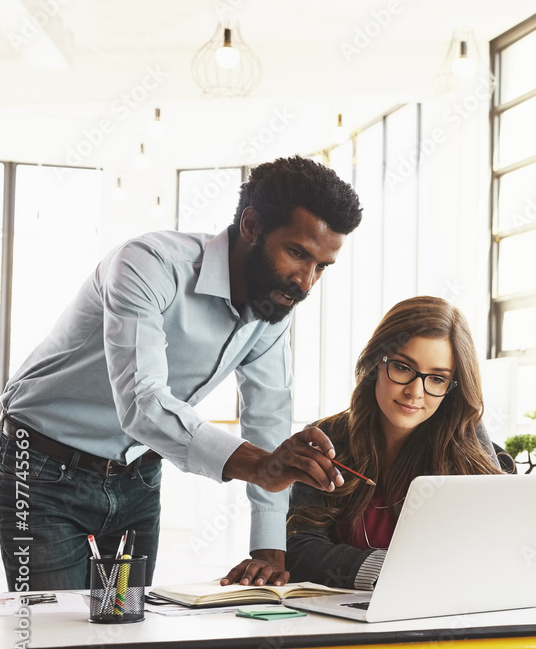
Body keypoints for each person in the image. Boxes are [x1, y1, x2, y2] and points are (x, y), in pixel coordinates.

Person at [0, 156, 363, 592]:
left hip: (137, 476)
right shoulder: (147, 265)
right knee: (58, 640)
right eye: (298, 254)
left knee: (124, 630)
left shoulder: (274, 307)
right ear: (251, 226)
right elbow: (142, 402)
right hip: (40, 466)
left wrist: (268, 554)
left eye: (322, 266)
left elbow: (268, 417)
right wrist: (262, 465)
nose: (306, 282)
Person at [285, 296, 503, 591]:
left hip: (443, 618)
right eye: (402, 367)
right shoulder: (327, 438)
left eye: (437, 379)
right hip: (342, 620)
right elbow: (301, 552)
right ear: (376, 362)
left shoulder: (467, 442)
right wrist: (393, 571)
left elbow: (489, 552)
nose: (415, 392)